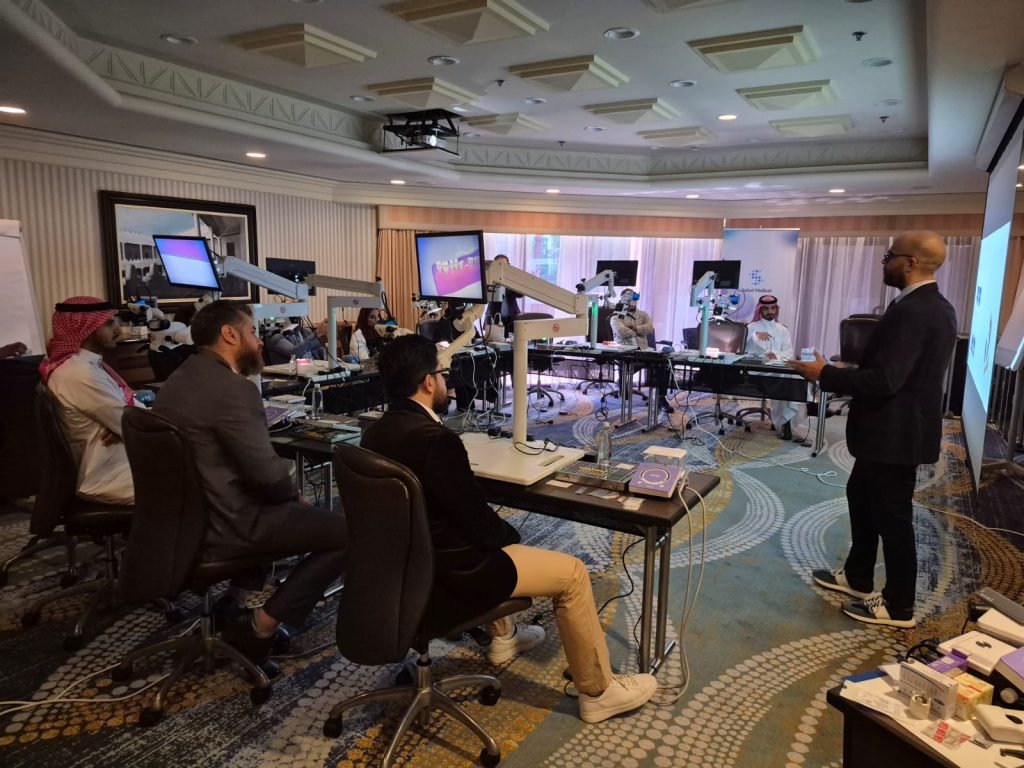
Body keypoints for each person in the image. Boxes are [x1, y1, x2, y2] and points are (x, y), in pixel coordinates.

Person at [362, 334, 658, 723]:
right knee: (571, 572)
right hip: (451, 577)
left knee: (487, 538)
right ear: (428, 383)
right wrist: (510, 537)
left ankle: (504, 637)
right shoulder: (438, 441)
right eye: (442, 374)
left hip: (395, 573)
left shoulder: (373, 434)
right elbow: (480, 528)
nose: (447, 382)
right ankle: (599, 692)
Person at [154, 300, 348, 668]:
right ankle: (260, 625)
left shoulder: (179, 378)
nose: (259, 342)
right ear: (230, 334)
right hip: (228, 523)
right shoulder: (233, 390)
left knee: (281, 507)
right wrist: (294, 498)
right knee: (345, 531)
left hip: (185, 521)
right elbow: (267, 476)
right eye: (252, 332)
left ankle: (234, 603)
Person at [789, 231, 957, 629]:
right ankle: (858, 576)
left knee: (892, 516)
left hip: (895, 433)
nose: (884, 262)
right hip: (891, 429)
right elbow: (897, 370)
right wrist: (844, 369)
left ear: (910, 263)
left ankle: (899, 606)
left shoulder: (915, 310)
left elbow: (886, 381)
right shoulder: (930, 305)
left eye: (889, 255)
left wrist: (825, 374)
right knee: (861, 496)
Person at [39, 297, 143, 505]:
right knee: (197, 476)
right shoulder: (79, 374)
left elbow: (128, 420)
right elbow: (133, 425)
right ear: (86, 328)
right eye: (109, 323)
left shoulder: (86, 365)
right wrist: (125, 426)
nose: (118, 329)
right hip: (109, 473)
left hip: (120, 457)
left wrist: (124, 425)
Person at [745, 295, 801, 440]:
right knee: (786, 378)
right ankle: (783, 422)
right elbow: (744, 352)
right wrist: (755, 337)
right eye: (766, 308)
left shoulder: (782, 330)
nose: (770, 311)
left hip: (778, 368)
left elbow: (789, 352)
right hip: (758, 372)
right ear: (760, 310)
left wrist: (775, 356)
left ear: (776, 309)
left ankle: (785, 421)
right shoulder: (751, 328)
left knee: (793, 376)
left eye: (773, 308)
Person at [609, 288, 673, 412]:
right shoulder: (616, 316)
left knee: (665, 363)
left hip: (644, 350)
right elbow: (621, 331)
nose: (632, 301)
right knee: (625, 365)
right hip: (626, 352)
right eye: (629, 298)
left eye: (633, 298)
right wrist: (639, 331)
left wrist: (635, 328)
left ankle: (661, 398)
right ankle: (622, 386)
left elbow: (650, 329)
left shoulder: (643, 314)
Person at [485, 254, 521, 334]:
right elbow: (484, 296)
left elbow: (520, 295)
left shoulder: (512, 280)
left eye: (504, 265)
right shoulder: (489, 278)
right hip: (494, 318)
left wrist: (512, 282)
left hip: (512, 319)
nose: (501, 267)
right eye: (499, 264)